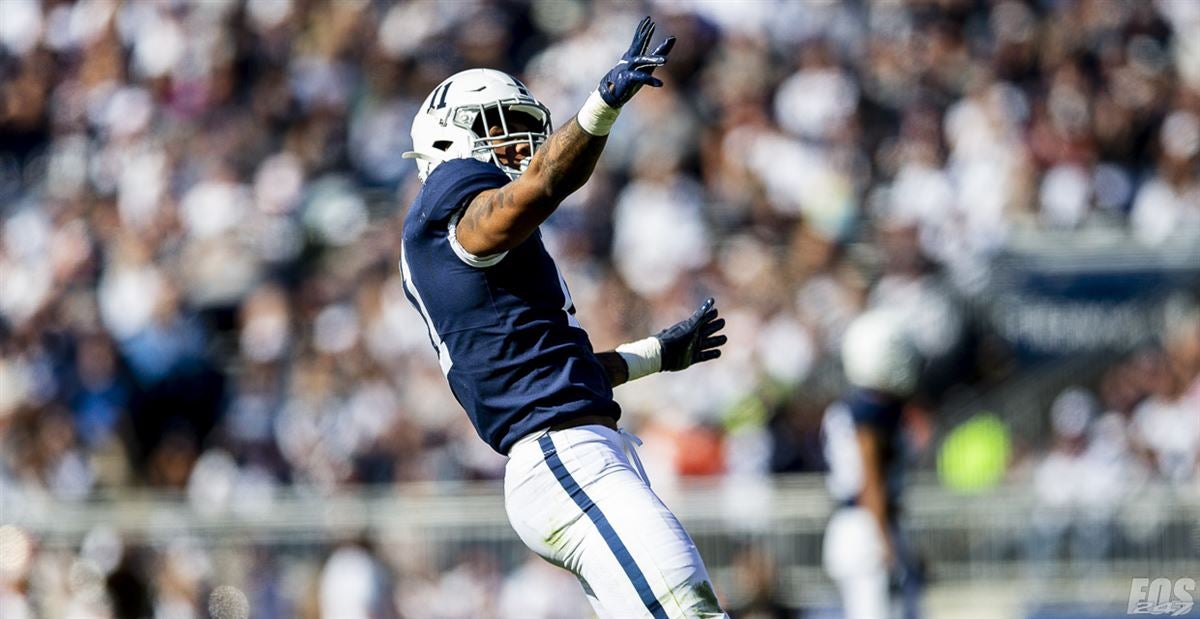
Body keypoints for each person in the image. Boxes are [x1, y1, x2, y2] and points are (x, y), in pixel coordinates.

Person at [399, 16, 729, 618]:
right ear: (451, 140)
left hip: (571, 451)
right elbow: (541, 184)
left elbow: (558, 370)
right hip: (563, 453)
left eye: (529, 131)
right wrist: (600, 107)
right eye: (504, 129)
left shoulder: (472, 248)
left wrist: (657, 352)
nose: (522, 146)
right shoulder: (453, 192)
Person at [821, 310, 923, 619]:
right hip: (867, 527)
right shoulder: (872, 412)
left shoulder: (855, 405)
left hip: (861, 524)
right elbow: (871, 480)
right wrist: (887, 543)